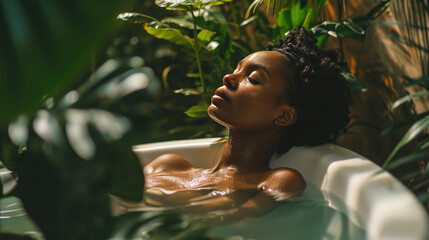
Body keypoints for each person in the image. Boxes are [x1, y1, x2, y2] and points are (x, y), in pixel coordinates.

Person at [142, 28, 349, 220]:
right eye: (237, 69)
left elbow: (219, 222)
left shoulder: (276, 181)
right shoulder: (167, 164)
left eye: (253, 78)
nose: (228, 78)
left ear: (284, 115)